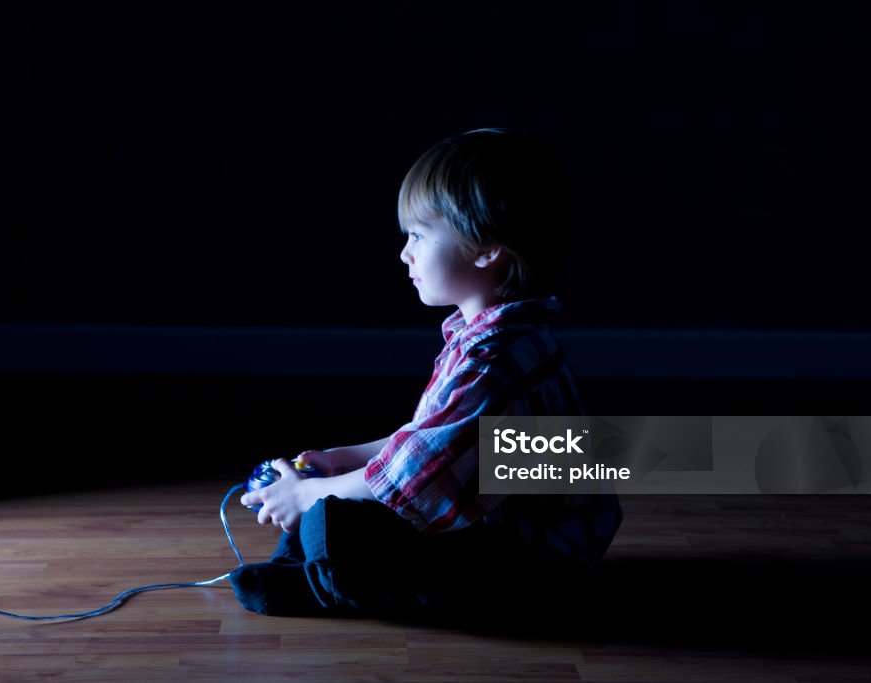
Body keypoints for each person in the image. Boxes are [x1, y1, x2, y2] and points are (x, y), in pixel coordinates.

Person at [230, 128, 623, 617]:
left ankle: (325, 585)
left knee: (330, 518)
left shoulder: (492, 362)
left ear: (485, 248)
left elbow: (419, 477)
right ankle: (315, 561)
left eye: (418, 235)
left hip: (538, 566)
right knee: (334, 502)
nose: (405, 253)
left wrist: (310, 493)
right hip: (506, 527)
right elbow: (427, 439)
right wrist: (342, 458)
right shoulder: (489, 333)